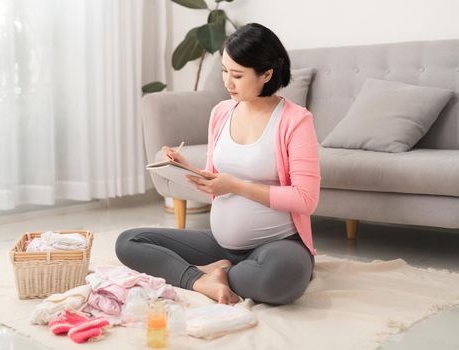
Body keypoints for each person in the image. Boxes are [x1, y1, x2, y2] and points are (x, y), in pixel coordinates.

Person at [116, 23, 321, 305]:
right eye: (224, 71)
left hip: (278, 245)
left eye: (237, 75)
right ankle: (202, 280)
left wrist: (236, 185)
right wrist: (184, 167)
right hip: (219, 243)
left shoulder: (295, 120)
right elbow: (217, 182)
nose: (227, 82)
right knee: (129, 242)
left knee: (279, 279)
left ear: (267, 74)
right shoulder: (222, 112)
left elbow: (305, 199)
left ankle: (219, 271)